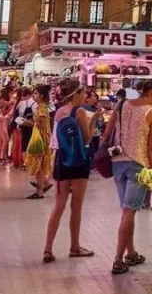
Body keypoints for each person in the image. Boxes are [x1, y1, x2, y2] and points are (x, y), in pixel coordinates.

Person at [106, 78, 152, 275]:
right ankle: (117, 259)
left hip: (118, 163)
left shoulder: (123, 105)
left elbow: (109, 130)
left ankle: (131, 253)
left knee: (126, 212)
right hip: (138, 166)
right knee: (129, 213)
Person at [43, 79, 97, 264]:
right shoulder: (80, 112)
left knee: (58, 206)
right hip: (79, 162)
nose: (85, 96)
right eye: (83, 93)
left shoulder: (59, 112)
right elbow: (88, 139)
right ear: (75, 94)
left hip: (60, 161)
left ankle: (48, 249)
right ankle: (75, 247)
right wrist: (95, 120)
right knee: (76, 207)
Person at [25, 85, 53, 199]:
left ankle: (40, 191)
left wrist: (27, 122)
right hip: (42, 138)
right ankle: (44, 184)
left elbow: (40, 125)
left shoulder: (41, 108)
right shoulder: (41, 107)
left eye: (36, 93)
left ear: (41, 95)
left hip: (40, 139)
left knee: (38, 165)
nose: (34, 95)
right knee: (39, 164)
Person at [16, 87, 38, 168]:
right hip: (32, 125)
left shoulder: (21, 103)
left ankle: (25, 163)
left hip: (23, 125)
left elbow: (19, 114)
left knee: (24, 144)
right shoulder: (35, 104)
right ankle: (31, 162)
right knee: (32, 144)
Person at [81, 90, 102, 170]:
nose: (95, 97)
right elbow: (91, 120)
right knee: (92, 148)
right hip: (92, 132)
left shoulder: (91, 107)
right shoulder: (86, 107)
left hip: (94, 131)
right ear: (87, 99)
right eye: (93, 96)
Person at [0, 86, 14, 164]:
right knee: (6, 139)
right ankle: (3, 157)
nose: (12, 94)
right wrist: (11, 108)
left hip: (2, 120)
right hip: (0, 120)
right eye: (11, 93)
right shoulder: (2, 100)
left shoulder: (4, 100)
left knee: (0, 140)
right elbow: (3, 112)